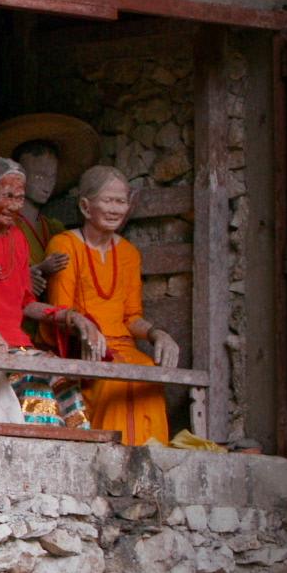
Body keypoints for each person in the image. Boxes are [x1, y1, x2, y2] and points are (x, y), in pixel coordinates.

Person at [47, 165, 180, 445]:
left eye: (121, 202)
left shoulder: (129, 253)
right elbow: (59, 312)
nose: (115, 209)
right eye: (108, 200)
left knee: (148, 373)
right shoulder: (64, 244)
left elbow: (132, 317)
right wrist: (85, 330)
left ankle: (154, 458)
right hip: (85, 348)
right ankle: (109, 459)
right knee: (113, 379)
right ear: (85, 206)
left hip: (124, 347)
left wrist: (158, 334)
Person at [0, 155, 105, 426]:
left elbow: (26, 302)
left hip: (20, 344)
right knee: (37, 385)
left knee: (64, 382)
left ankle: (75, 456)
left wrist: (70, 317)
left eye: (20, 197)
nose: (15, 205)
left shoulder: (18, 239)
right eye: (8, 196)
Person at [0, 113, 99, 298]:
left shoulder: (54, 228)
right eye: (38, 176)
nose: (46, 184)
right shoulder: (3, 224)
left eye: (52, 177)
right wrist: (27, 275)